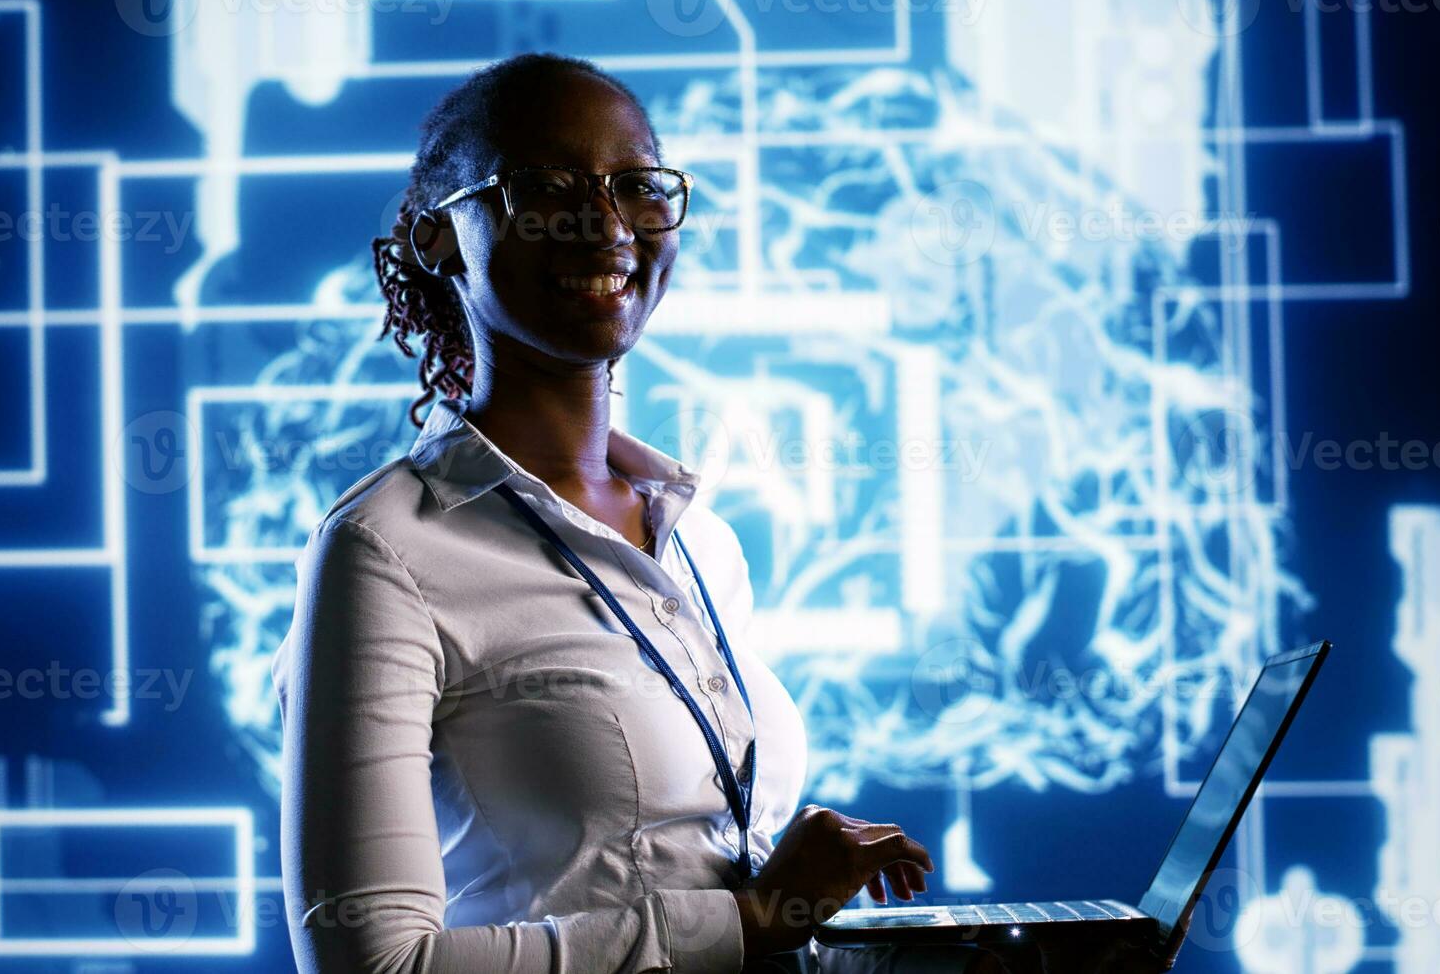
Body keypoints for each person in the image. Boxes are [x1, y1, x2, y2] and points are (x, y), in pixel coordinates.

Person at [273, 51, 1187, 974]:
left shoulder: (700, 542)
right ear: (437, 239)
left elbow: (683, 902)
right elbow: (373, 964)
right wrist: (750, 920)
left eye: (637, 185)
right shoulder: (385, 549)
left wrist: (932, 956)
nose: (603, 223)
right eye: (545, 184)